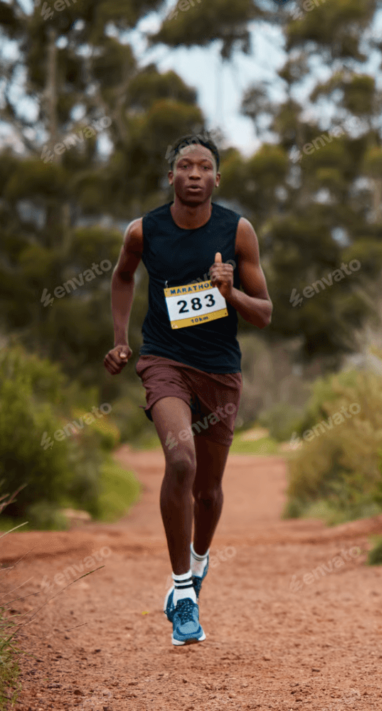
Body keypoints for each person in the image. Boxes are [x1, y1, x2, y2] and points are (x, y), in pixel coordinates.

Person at [104, 133, 272, 646]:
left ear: (217, 179)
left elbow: (264, 313)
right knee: (181, 462)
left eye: (204, 167)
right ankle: (182, 595)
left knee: (209, 492)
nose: (194, 174)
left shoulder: (237, 231)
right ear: (171, 176)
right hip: (163, 360)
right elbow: (122, 276)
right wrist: (119, 340)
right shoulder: (143, 231)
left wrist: (230, 292)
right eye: (184, 166)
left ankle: (198, 564)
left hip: (219, 369)